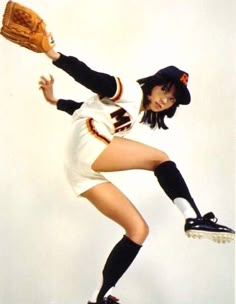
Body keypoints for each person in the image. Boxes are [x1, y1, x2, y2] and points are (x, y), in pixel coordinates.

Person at [37, 48, 235, 304]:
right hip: (89, 143)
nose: (166, 100)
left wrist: (55, 101)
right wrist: (55, 55)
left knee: (138, 230)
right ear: (153, 84)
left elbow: (83, 107)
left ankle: (99, 296)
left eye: (172, 99)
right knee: (160, 158)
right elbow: (91, 77)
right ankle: (194, 218)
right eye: (165, 90)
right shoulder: (130, 90)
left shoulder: (135, 111)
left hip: (79, 170)